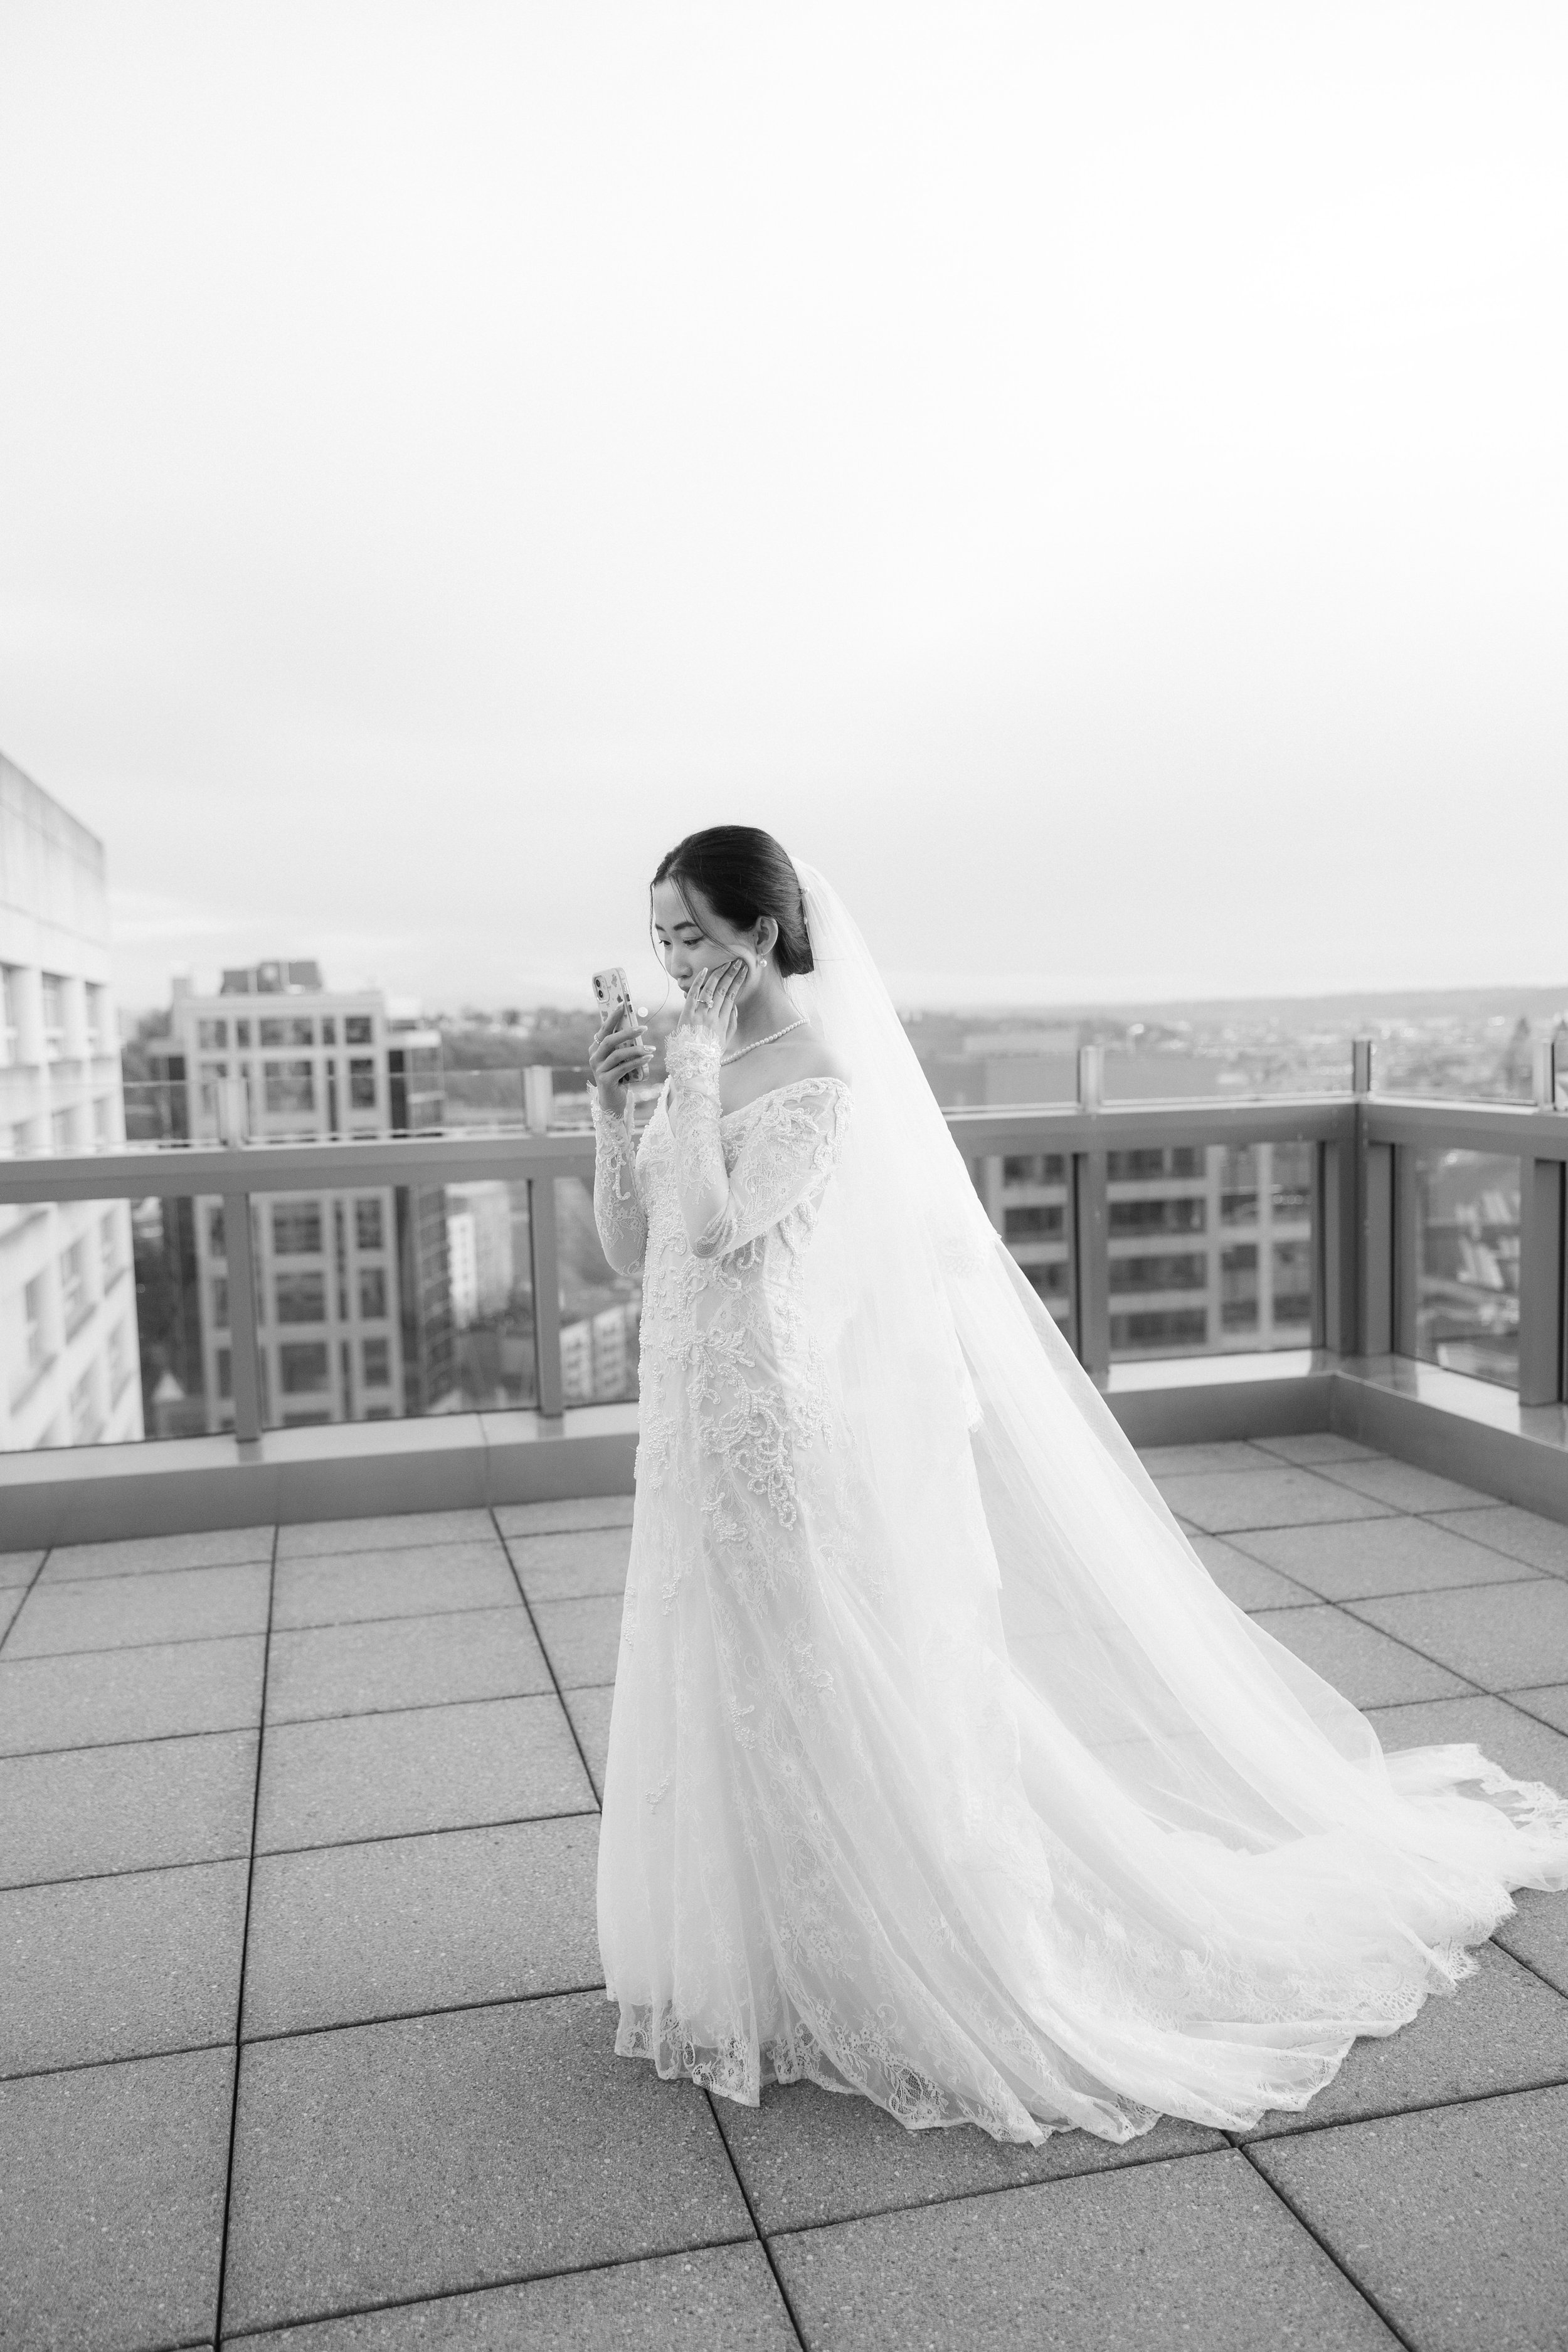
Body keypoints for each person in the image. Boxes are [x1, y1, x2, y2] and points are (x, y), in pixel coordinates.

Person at [585, 825, 1568, 2146]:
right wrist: (612, 1108)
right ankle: (756, 1957)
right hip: (686, 1421)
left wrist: (691, 1079)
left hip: (767, 1418)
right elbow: (628, 1251)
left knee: (810, 1669)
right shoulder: (695, 1072)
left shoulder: (812, 1073)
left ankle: (875, 1953)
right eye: (658, 938)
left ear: (760, 933)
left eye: (692, 933)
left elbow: (715, 1231)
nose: (672, 960)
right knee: (720, 1664)